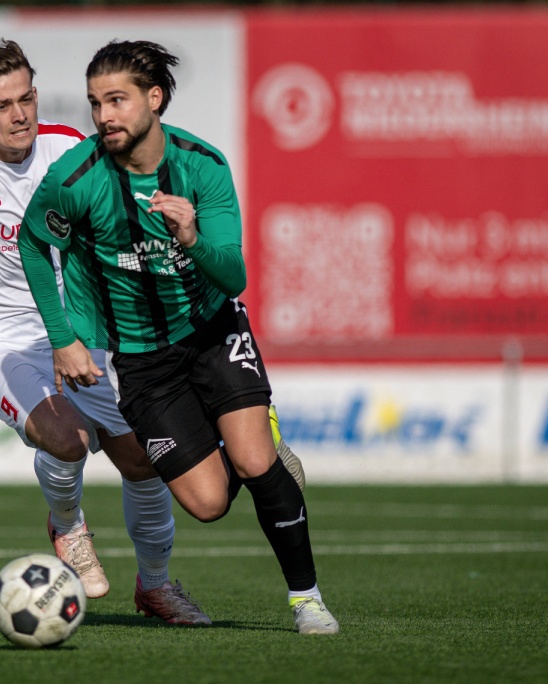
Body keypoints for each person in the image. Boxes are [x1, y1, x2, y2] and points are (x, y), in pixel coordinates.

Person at [0, 40, 211, 625]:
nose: (19, 114)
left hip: (68, 328)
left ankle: (155, 585)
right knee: (69, 438)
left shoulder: (68, 148)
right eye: (2, 105)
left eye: (26, 97)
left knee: (143, 459)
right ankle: (68, 525)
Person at [19, 40, 339, 635]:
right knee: (209, 505)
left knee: (252, 458)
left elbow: (234, 275)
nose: (104, 116)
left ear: (155, 99)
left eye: (117, 100)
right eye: (95, 103)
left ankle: (307, 601)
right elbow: (33, 242)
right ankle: (256, 443)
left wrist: (192, 238)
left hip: (213, 330)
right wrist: (63, 337)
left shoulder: (202, 166)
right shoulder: (77, 177)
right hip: (139, 361)